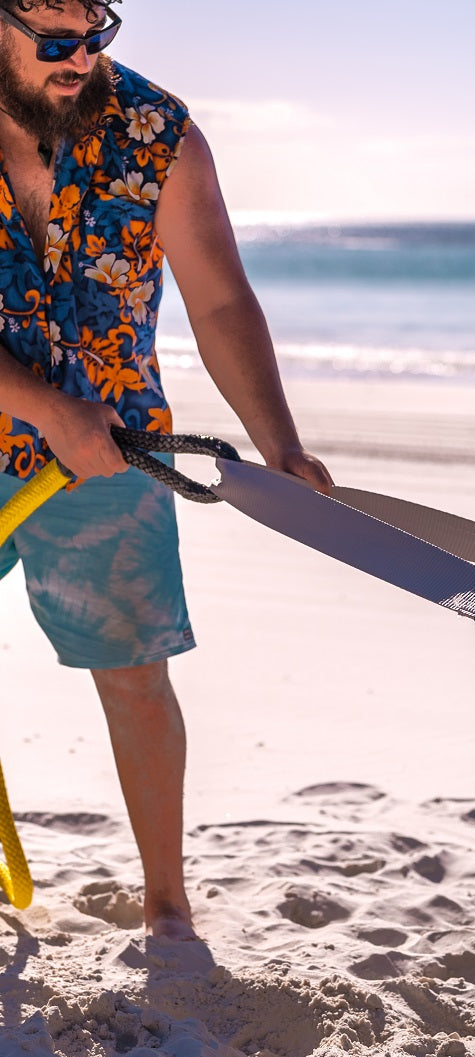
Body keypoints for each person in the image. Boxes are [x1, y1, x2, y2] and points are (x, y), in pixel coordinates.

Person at [0, 0, 332, 939]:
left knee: (136, 676)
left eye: (95, 36)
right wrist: (47, 407)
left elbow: (221, 299)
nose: (79, 61)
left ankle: (167, 903)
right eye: (53, 44)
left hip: (114, 455)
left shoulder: (158, 132)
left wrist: (280, 445)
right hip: (44, 427)